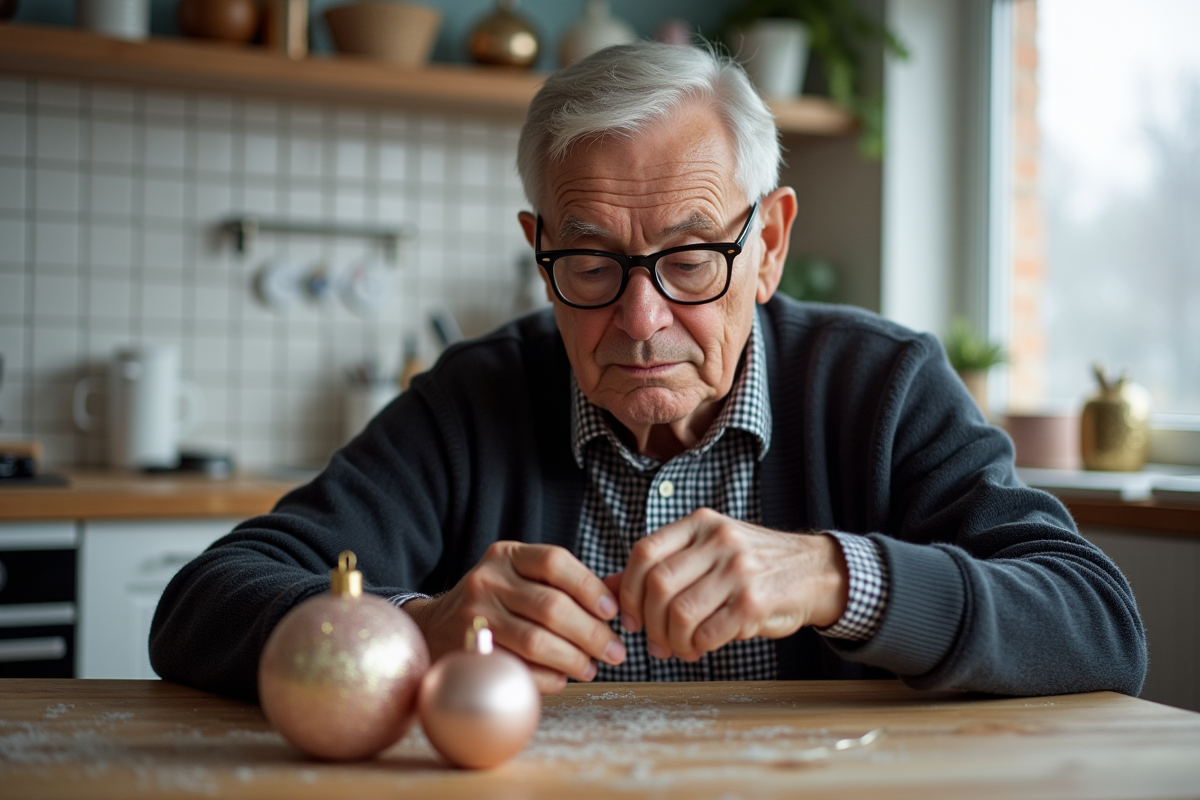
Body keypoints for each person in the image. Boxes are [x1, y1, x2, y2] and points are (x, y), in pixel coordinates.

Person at [151, 42, 1146, 701]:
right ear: (537, 248)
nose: (639, 318)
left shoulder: (880, 387)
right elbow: (203, 603)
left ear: (769, 247)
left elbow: (1098, 624)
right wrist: (420, 624)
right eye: (589, 263)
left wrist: (841, 576)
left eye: (689, 259)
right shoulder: (474, 398)